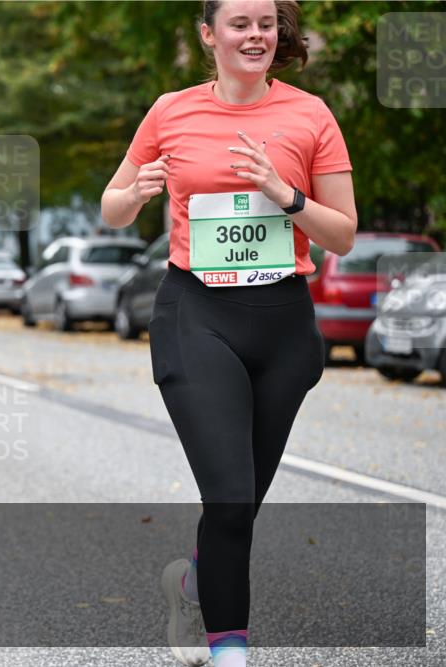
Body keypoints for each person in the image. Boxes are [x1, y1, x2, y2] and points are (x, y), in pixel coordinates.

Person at [100, 2, 356, 666]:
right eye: (239, 24)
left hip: (282, 324)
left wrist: (285, 194)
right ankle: (230, 652)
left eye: (265, 23)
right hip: (197, 314)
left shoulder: (311, 115)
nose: (255, 35)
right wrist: (138, 192)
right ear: (209, 35)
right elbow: (112, 206)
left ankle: (193, 583)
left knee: (238, 509)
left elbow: (343, 235)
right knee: (230, 496)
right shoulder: (171, 111)